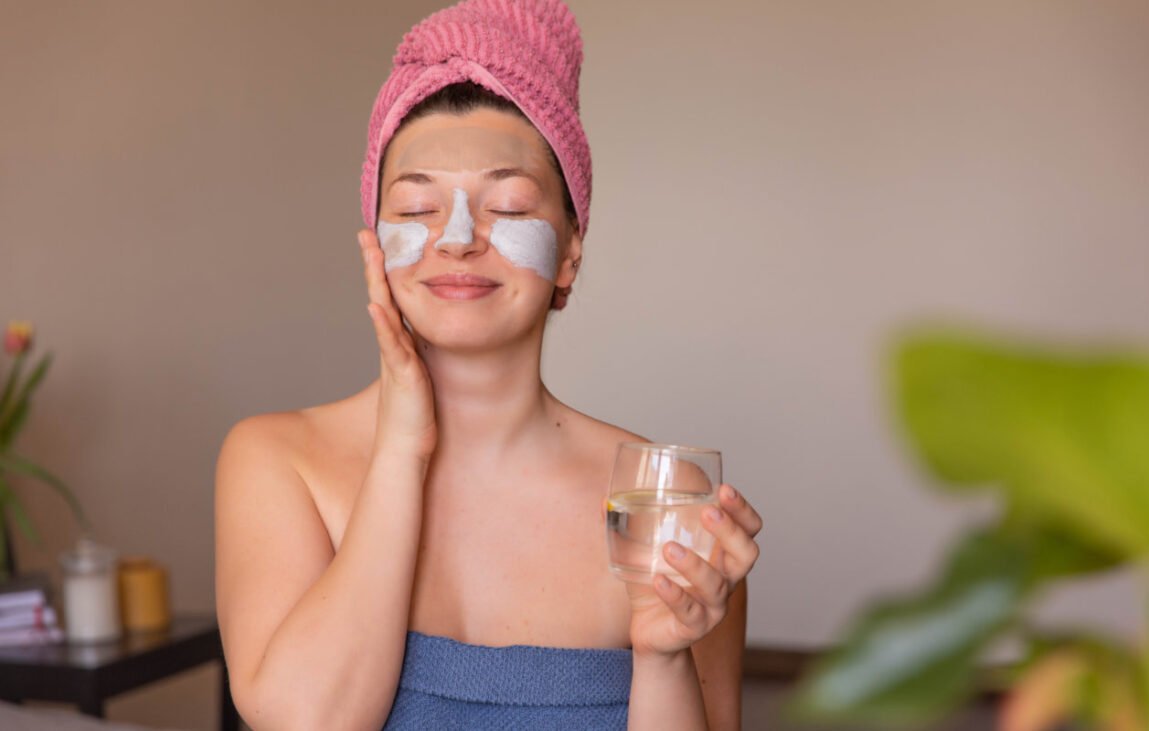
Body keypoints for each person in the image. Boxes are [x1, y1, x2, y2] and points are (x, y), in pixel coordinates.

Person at [214, 0, 763, 728]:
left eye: (507, 204)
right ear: (375, 241)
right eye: (416, 209)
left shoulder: (660, 504)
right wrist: (402, 449)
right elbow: (307, 719)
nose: (459, 238)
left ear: (571, 250)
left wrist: (661, 658)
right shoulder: (278, 461)